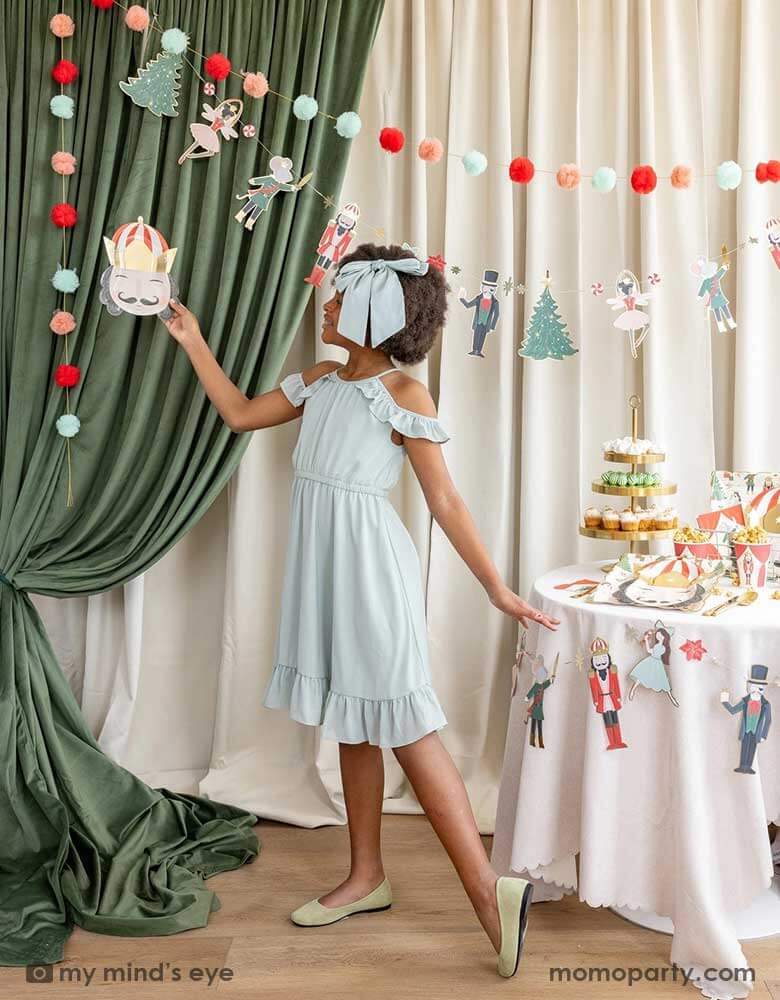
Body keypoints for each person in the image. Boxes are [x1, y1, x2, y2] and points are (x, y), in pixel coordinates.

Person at [160, 243, 559, 978]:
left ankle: (486, 890)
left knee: (405, 722)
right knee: (353, 716)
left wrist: (496, 588)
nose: (329, 305)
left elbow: (444, 500)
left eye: (344, 298)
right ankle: (365, 875)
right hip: (324, 570)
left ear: (379, 314)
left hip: (371, 572)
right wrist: (193, 342)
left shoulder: (406, 397)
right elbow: (242, 415)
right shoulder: (320, 379)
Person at [721, 665, 773, 774]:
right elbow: (733, 710)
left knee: (752, 748)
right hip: (745, 729)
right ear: (750, 687)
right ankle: (742, 765)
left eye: (760, 689)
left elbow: (768, 720)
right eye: (754, 688)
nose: (756, 691)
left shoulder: (766, 704)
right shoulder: (745, 701)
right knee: (744, 747)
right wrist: (724, 700)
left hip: (756, 731)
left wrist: (763, 735)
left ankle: (748, 766)